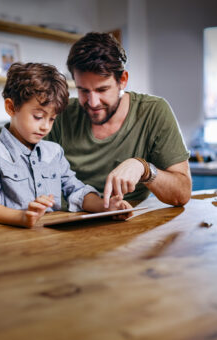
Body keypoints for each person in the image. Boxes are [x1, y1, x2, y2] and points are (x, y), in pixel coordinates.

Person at [0, 62, 133, 228]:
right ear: (11, 107)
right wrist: (22, 217)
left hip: (49, 239)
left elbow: (76, 191)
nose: (45, 126)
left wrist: (107, 207)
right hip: (9, 241)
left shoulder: (54, 152)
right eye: (38, 116)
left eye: (52, 119)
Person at [47, 32, 192, 208]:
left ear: (122, 80)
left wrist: (144, 169)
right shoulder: (61, 114)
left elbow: (182, 194)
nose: (93, 103)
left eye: (102, 90)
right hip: (63, 222)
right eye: (83, 90)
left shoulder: (154, 111)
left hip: (125, 223)